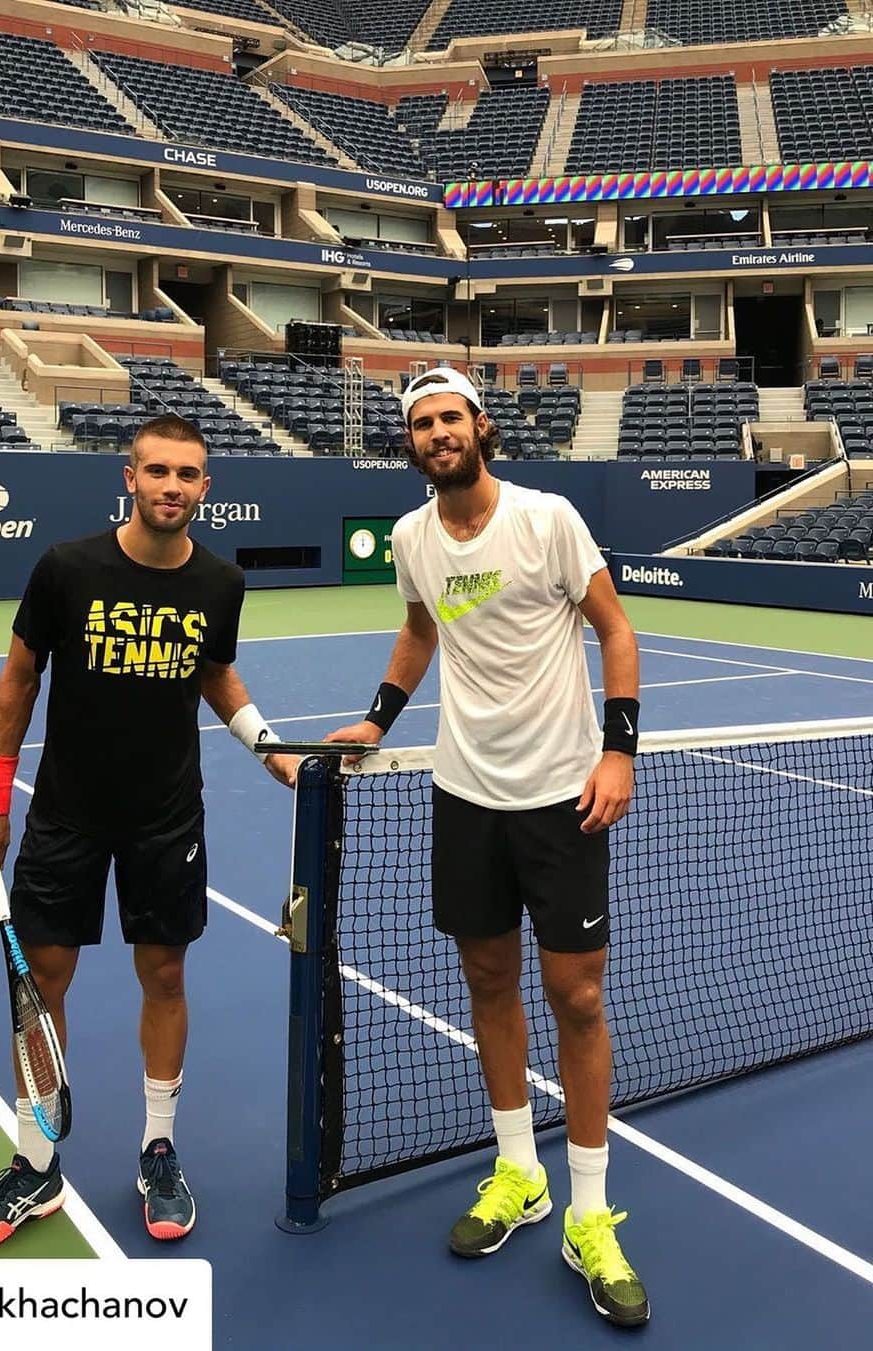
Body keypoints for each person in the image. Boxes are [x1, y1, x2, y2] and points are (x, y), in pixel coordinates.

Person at [325, 368, 649, 1328]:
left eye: (449, 418)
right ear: (412, 443)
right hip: (465, 796)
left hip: (562, 797)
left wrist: (618, 751)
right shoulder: (412, 538)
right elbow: (419, 630)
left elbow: (617, 630)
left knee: (578, 996)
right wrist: (378, 719)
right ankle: (519, 1169)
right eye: (420, 424)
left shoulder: (547, 518)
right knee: (488, 981)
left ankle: (590, 1212)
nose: (436, 433)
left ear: (481, 427)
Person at [0, 414, 296, 1255]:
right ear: (129, 478)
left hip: (166, 817)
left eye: (189, 474)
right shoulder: (67, 568)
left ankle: (159, 1148)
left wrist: (269, 748)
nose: (173, 486)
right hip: (66, 812)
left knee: (165, 973)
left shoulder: (220, 581)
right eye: (159, 471)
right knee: (44, 982)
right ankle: (34, 1165)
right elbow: (18, 679)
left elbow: (216, 675)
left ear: (205, 487)